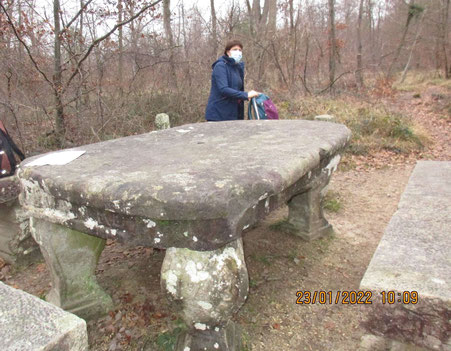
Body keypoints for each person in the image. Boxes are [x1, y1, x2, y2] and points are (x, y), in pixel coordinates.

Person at [205, 40, 260, 121]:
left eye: (240, 50)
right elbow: (224, 89)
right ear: (228, 52)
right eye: (234, 49)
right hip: (219, 114)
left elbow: (236, 89)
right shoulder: (220, 66)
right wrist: (245, 95)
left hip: (234, 113)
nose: (238, 52)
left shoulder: (237, 68)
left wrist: (246, 96)